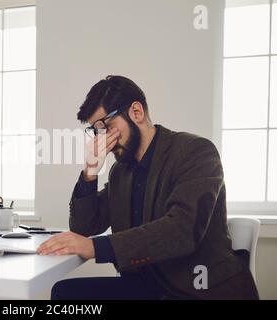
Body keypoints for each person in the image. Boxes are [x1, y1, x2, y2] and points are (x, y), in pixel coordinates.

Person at [37, 75, 259, 300]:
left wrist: (97, 247)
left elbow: (182, 230)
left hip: (197, 289)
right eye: (97, 131)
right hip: (147, 287)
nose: (104, 138)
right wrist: (90, 170)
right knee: (66, 294)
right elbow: (84, 227)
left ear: (136, 112)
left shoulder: (196, 151)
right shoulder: (120, 172)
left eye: (107, 126)